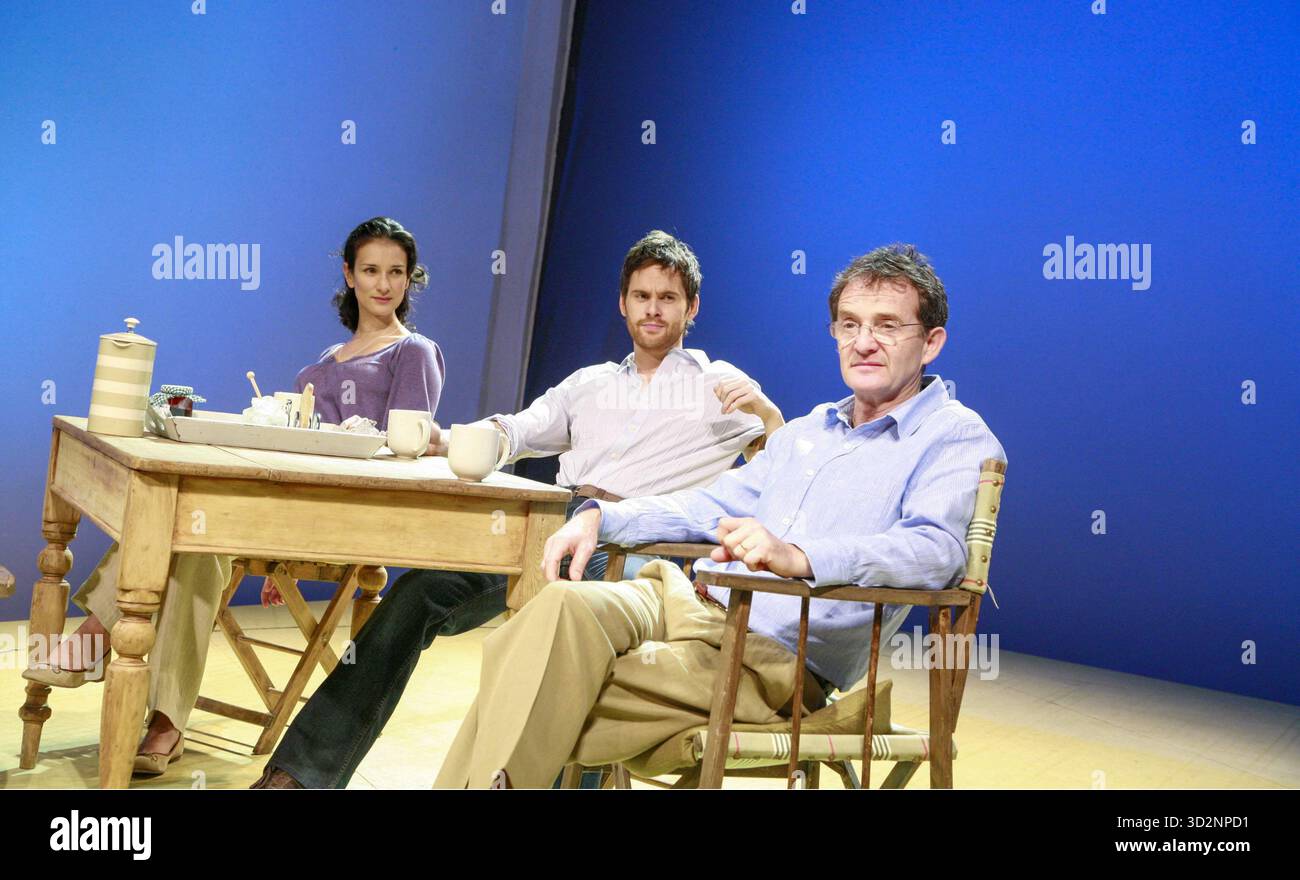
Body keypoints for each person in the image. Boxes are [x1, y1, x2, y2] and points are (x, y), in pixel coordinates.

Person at [433, 243, 1007, 788]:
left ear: (931, 342)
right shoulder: (807, 433)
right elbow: (707, 505)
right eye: (850, 324)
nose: (863, 342)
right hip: (693, 607)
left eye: (887, 325)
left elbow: (936, 552)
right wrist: (602, 519)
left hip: (774, 657)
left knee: (529, 670)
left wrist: (801, 557)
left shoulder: (955, 436)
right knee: (554, 609)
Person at [251, 229, 785, 788]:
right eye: (642, 296)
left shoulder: (719, 384)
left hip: (628, 545)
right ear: (622, 302)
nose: (653, 310)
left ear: (691, 307)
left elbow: (780, 478)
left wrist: (769, 418)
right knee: (416, 595)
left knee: (559, 628)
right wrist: (446, 439)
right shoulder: (590, 382)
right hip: (545, 522)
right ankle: (301, 775)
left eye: (668, 298)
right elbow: (518, 430)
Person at [24, 217, 444, 776]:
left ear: (410, 281)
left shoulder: (411, 352)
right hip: (286, 505)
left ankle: (94, 643)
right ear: (349, 275)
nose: (383, 284)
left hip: (347, 517)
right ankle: (166, 725)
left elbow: (406, 449)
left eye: (396, 273)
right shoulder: (327, 358)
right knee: (188, 534)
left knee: (189, 533)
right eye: (370, 270)